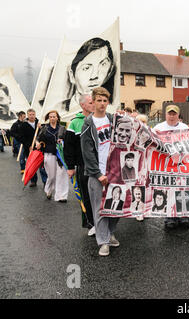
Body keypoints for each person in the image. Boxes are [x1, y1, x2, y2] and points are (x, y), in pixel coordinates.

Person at [80, 87, 120, 257]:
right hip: (98, 174)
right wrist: (98, 174)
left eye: (105, 101)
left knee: (116, 206)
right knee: (100, 208)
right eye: (99, 101)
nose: (102, 104)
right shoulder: (88, 124)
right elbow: (87, 152)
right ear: (93, 102)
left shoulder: (113, 120)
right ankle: (102, 241)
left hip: (114, 171)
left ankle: (109, 233)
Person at [153, 104, 189, 229]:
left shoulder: (184, 127)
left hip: (181, 163)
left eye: (174, 114)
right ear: (166, 114)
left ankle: (184, 215)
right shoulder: (158, 127)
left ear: (178, 115)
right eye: (170, 113)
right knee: (168, 190)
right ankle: (170, 217)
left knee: (183, 188)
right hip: (165, 164)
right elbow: (152, 144)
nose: (172, 116)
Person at [65, 94, 96, 236]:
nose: (94, 104)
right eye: (91, 102)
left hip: (99, 165)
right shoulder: (74, 123)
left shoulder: (100, 119)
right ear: (83, 105)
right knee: (87, 195)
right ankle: (91, 223)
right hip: (83, 166)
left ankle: (102, 223)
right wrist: (70, 167)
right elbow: (69, 147)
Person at [62, 37, 116, 113]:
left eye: (103, 64)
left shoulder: (110, 110)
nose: (94, 76)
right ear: (72, 76)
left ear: (110, 69)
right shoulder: (59, 110)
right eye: (86, 68)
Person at [36, 110, 69, 202]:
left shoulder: (62, 128)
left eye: (54, 116)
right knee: (51, 176)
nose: (52, 118)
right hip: (49, 154)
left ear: (57, 117)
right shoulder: (44, 128)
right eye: (50, 117)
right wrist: (37, 144)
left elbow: (67, 140)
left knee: (62, 175)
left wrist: (62, 142)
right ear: (48, 118)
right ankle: (49, 190)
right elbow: (38, 139)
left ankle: (62, 196)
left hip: (60, 155)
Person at [17, 109, 48, 187]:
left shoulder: (40, 124)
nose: (31, 116)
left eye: (33, 114)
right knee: (32, 165)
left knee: (42, 165)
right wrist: (28, 145)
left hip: (39, 147)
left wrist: (41, 128)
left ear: (35, 114)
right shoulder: (23, 125)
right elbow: (21, 137)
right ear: (27, 115)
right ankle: (33, 181)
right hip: (29, 148)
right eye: (30, 114)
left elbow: (45, 135)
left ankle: (45, 181)